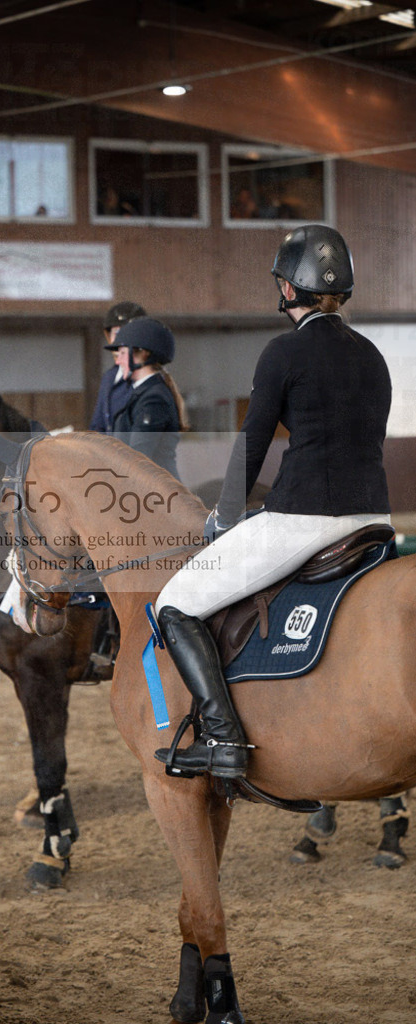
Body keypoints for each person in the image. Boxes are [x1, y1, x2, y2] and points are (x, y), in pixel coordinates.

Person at [154, 224, 392, 780]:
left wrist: (223, 518)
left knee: (176, 602)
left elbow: (253, 444)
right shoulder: (375, 356)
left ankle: (223, 739)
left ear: (288, 288)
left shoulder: (282, 352)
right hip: (375, 518)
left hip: (305, 520)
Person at [109, 316, 189, 479]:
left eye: (123, 353)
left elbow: (138, 457)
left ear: (142, 354)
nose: (118, 362)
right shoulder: (140, 394)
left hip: (155, 495)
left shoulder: (154, 399)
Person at [89, 301, 147, 433]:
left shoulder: (147, 377)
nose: (121, 338)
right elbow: (98, 425)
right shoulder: (109, 378)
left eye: (127, 332)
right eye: (116, 332)